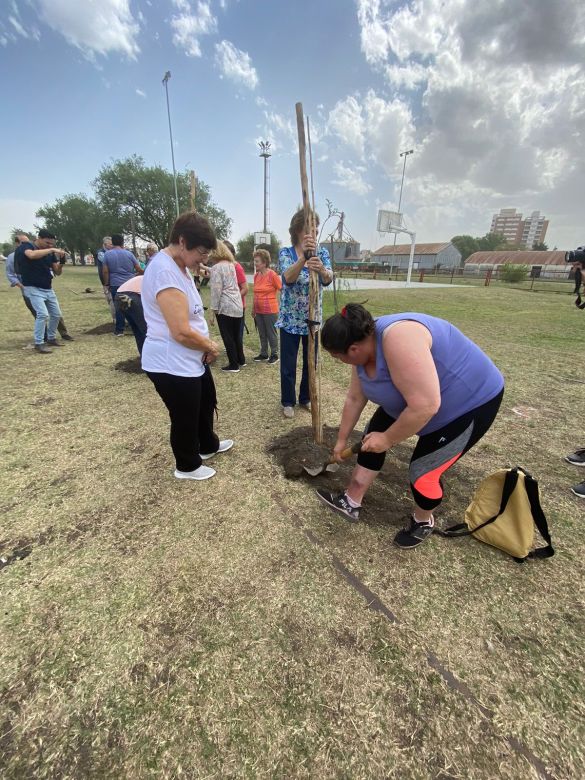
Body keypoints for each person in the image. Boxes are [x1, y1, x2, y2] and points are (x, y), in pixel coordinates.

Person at [316, 304, 505, 549]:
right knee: (369, 441)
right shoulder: (360, 342)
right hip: (418, 397)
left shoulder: (399, 339)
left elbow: (426, 405)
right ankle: (351, 500)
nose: (338, 361)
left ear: (353, 349)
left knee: (423, 472)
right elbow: (355, 398)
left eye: (336, 357)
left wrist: (387, 439)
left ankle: (423, 520)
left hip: (469, 403)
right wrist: (341, 441)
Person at [141, 211, 233, 481]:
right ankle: (187, 465)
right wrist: (211, 346)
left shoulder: (180, 266)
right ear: (182, 241)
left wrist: (197, 268)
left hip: (191, 358)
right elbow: (180, 331)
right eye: (201, 252)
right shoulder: (164, 271)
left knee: (205, 401)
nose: (204, 259)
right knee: (185, 415)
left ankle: (207, 445)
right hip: (171, 361)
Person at [276, 209, 333, 418]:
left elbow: (328, 279)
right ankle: (288, 401)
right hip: (290, 320)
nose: (316, 230)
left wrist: (322, 269)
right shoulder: (285, 253)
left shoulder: (322, 252)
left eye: (317, 226)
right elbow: (288, 278)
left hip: (313, 320)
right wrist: (303, 259)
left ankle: (305, 398)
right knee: (288, 364)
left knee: (311, 363)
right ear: (299, 230)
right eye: (311, 227)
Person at [7, 234, 73, 343]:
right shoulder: (26, 247)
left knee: (56, 314)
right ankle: (39, 342)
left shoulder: (49, 252)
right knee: (42, 314)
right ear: (39, 238)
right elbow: (31, 255)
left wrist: (62, 261)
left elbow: (57, 271)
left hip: (47, 287)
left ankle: (51, 338)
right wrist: (51, 249)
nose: (50, 245)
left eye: (52, 243)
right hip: (32, 287)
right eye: (47, 243)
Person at [209, 240, 245, 372]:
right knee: (236, 335)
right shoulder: (231, 265)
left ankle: (233, 365)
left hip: (225, 307)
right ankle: (241, 360)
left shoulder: (217, 267)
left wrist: (212, 312)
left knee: (227, 336)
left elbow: (216, 291)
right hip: (237, 305)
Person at [102, 234, 143, 336]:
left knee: (119, 307)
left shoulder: (107, 255)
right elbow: (138, 268)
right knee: (133, 305)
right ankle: (135, 326)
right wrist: (136, 274)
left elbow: (105, 271)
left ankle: (119, 330)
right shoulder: (129, 254)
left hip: (115, 284)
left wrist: (106, 283)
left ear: (113, 243)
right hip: (129, 284)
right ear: (122, 242)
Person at [252, 248, 281, 364]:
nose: (255, 264)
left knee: (271, 333)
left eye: (257, 261)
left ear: (264, 262)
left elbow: (282, 289)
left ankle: (274, 354)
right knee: (262, 333)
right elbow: (255, 293)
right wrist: (253, 308)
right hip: (258, 310)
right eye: (255, 261)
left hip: (270, 310)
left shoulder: (272, 275)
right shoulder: (256, 276)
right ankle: (263, 353)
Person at [115, 276, 147, 355]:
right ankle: (151, 359)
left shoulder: (144, 277)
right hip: (132, 296)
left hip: (118, 296)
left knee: (137, 328)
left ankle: (144, 357)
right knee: (146, 330)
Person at [224, 240, 248, 343]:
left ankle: (238, 355)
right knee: (229, 333)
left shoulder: (237, 267)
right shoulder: (224, 267)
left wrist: (232, 298)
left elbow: (245, 288)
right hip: (226, 307)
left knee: (237, 335)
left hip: (237, 306)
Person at [96, 236, 116, 322]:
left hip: (114, 280)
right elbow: (107, 263)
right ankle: (115, 319)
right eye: (111, 244)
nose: (113, 246)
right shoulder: (101, 253)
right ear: (105, 244)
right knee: (111, 299)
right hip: (106, 281)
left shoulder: (112, 252)